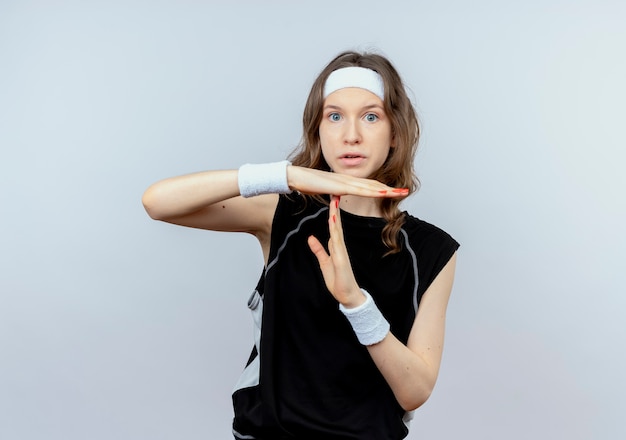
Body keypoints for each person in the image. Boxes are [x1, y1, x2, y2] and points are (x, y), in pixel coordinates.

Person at [142, 50, 459, 440]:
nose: (351, 134)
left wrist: (356, 304)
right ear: (318, 130)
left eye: (371, 116)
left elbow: (414, 392)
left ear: (395, 133)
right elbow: (158, 202)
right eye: (335, 116)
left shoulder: (430, 250)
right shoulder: (282, 212)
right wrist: (287, 176)